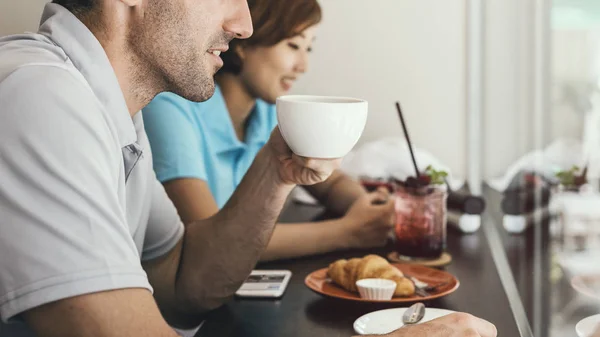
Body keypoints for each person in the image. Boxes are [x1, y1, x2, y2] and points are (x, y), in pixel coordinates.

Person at [0, 0, 496, 336]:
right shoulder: (41, 97)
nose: (243, 25)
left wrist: (275, 171)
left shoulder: (112, 108)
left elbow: (182, 283)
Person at [142, 0, 396, 262]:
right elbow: (209, 241)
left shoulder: (265, 112)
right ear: (243, 44)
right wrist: (347, 232)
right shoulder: (171, 106)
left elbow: (329, 182)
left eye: (308, 48)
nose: (303, 66)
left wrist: (369, 207)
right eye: (293, 45)